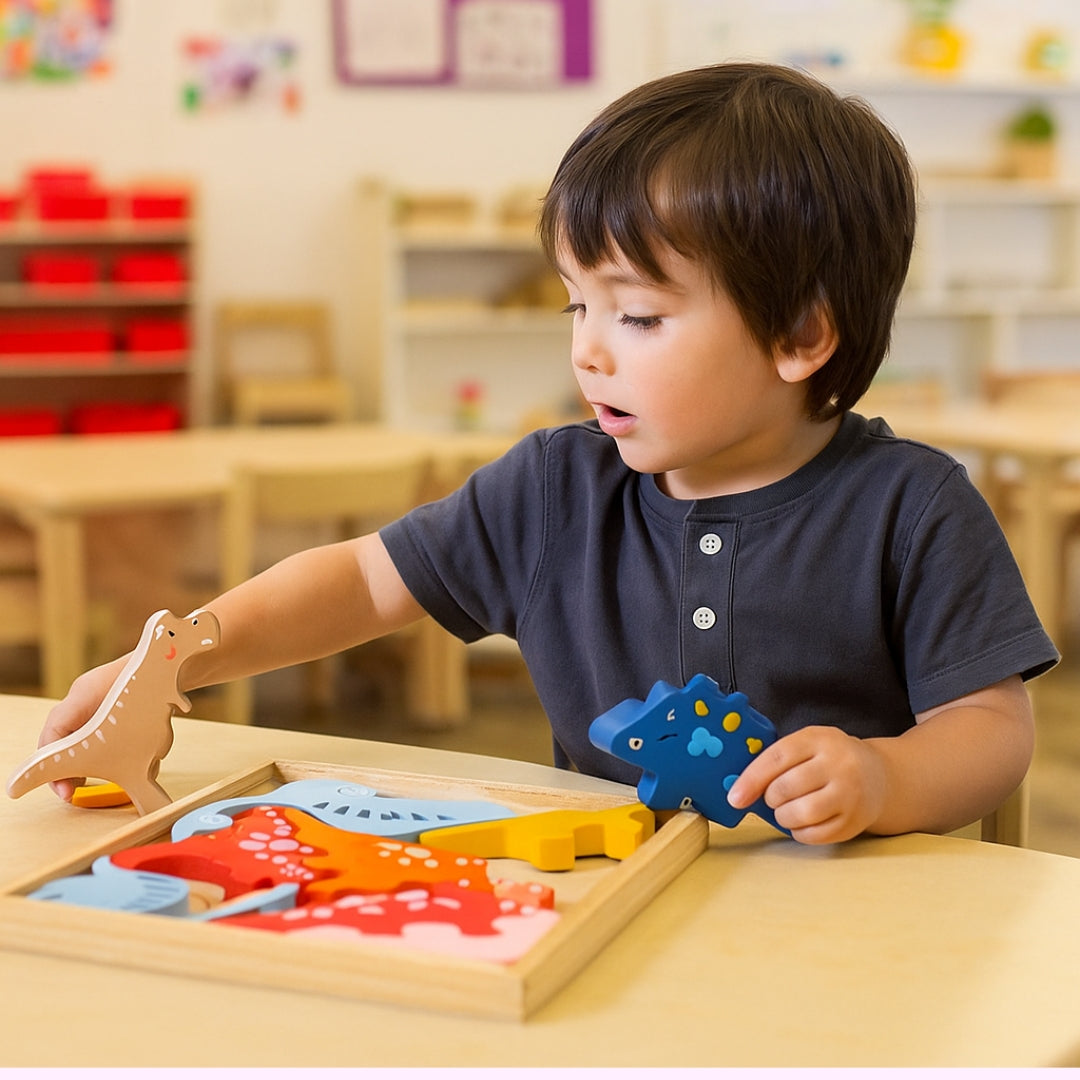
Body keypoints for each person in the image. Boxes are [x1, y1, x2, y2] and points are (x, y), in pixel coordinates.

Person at [35, 62, 1059, 845]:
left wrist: (885, 782)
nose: (588, 347)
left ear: (800, 336)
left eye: (641, 316)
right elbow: (357, 580)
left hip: (848, 927)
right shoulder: (554, 489)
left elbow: (991, 728)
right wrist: (174, 655)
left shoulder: (913, 509)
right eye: (579, 303)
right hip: (613, 906)